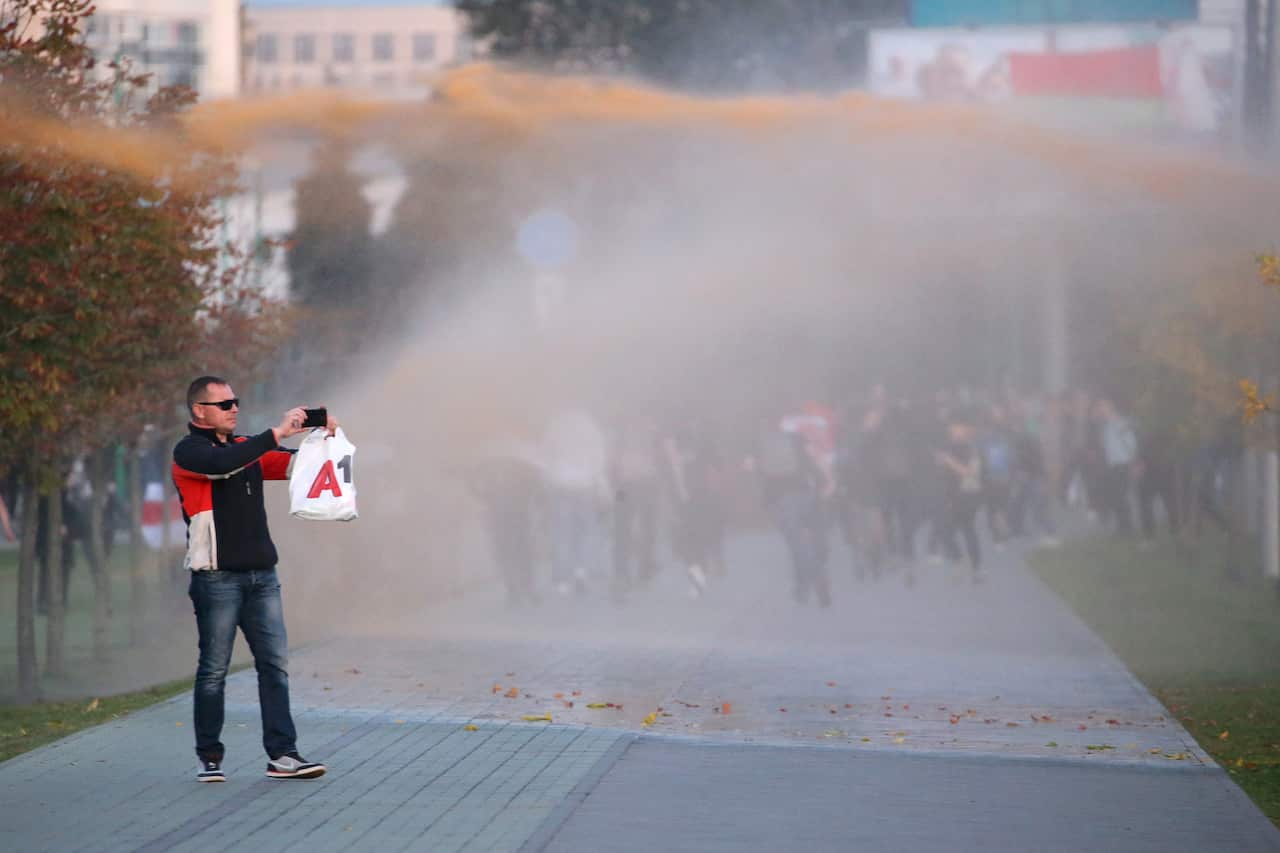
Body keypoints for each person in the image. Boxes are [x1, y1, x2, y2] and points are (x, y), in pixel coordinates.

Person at [172, 375, 333, 783]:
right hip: (216, 579)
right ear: (199, 411)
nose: (234, 408)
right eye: (224, 404)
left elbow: (299, 466)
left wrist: (324, 436)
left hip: (263, 576)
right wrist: (275, 433)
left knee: (274, 666)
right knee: (214, 670)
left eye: (235, 402)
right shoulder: (189, 452)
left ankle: (283, 755)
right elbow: (220, 466)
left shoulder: (248, 448)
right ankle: (209, 756)